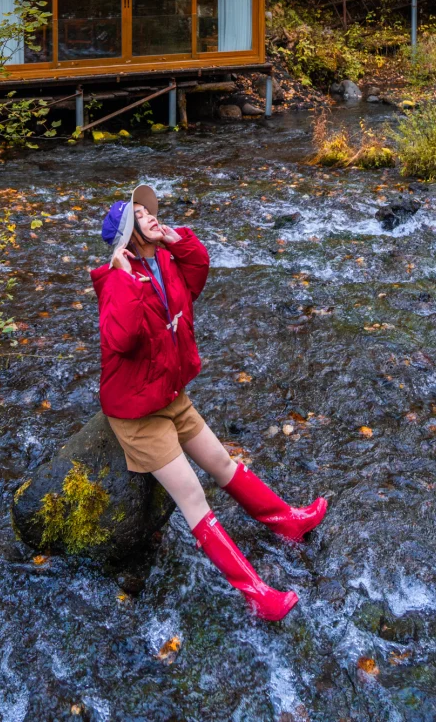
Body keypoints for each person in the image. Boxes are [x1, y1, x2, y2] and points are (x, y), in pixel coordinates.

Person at [91, 182, 327, 621]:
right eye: (141, 216)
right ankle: (257, 595)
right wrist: (123, 277)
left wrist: (176, 239)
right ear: (127, 233)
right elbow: (120, 339)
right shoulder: (115, 281)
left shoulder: (164, 261)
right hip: (139, 413)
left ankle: (286, 522)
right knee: (194, 495)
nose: (152, 215)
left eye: (151, 210)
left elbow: (198, 274)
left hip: (169, 393)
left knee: (222, 463)